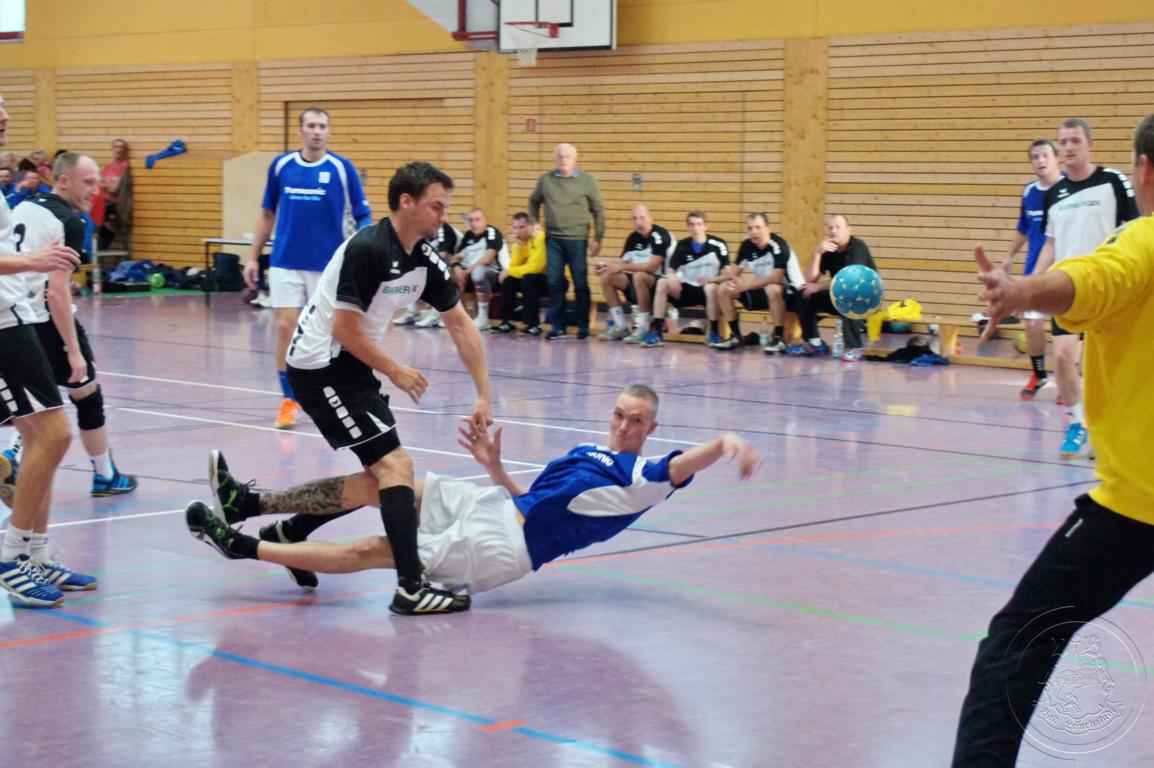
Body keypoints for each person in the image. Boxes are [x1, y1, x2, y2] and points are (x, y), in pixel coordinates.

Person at [952, 113, 1154, 767]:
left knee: (1017, 642)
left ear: (1143, 171)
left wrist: (1020, 292)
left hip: (1139, 507)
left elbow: (1091, 279)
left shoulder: (1144, 239)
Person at [205, 161, 493, 615]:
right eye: (437, 206)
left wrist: (484, 394)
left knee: (380, 482)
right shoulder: (369, 249)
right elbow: (343, 329)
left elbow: (460, 325)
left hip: (352, 365)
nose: (443, 216)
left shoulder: (425, 259)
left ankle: (275, 522)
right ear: (407, 202)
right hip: (320, 366)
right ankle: (411, 587)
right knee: (395, 467)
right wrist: (395, 369)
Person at [185, 384, 761, 605]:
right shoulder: (587, 451)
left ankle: (241, 547)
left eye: (636, 421)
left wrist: (724, 443)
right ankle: (249, 505)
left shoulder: (641, 481)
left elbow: (680, 467)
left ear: (651, 429)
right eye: (619, 414)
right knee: (384, 483)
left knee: (379, 549)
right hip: (494, 507)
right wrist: (495, 468)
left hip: (502, 549)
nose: (624, 426)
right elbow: (535, 498)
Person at [0, 94, 94, 608]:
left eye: (5, 106)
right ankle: (12, 556)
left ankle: (33, 552)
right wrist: (31, 262)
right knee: (53, 434)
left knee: (44, 439)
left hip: (15, 316)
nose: (5, 115)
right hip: (2, 324)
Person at [10, 152, 138, 496]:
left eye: (98, 182)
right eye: (88, 182)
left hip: (14, 318)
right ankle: (105, 475)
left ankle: (13, 454)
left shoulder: (23, 206)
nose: (96, 190)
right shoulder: (70, 222)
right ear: (64, 181)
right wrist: (73, 348)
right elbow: (57, 292)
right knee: (86, 395)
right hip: (45, 320)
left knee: (34, 402)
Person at [244, 107, 372, 430]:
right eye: (312, 125)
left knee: (329, 334)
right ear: (301, 130)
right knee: (285, 326)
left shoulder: (342, 169)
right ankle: (289, 399)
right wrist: (252, 256)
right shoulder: (282, 166)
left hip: (328, 266)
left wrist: (364, 252)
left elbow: (363, 216)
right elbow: (267, 215)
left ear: (329, 131)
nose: (317, 131)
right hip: (285, 261)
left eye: (322, 126)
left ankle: (331, 393)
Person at [1031, 118, 1138, 458]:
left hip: (1108, 289)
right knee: (1064, 358)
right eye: (1063, 142)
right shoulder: (1054, 194)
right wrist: (1031, 285)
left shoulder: (1113, 181)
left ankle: (1107, 429)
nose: (1068, 147)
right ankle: (1078, 423)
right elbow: (1050, 244)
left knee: (1104, 366)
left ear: (1090, 144)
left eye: (1075, 140)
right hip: (1068, 291)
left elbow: (1135, 228)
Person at [1002, 139, 1063, 400]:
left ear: (1057, 157)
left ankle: (1067, 381)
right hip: (1035, 269)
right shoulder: (1029, 191)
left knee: (1066, 330)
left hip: (1064, 269)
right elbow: (1023, 228)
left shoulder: (1069, 188)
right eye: (1035, 157)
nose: (1040, 161)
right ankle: (1039, 374)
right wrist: (1009, 256)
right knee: (1033, 323)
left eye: (1045, 155)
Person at [529, 142, 605, 341]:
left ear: (575, 159)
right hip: (553, 239)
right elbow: (533, 201)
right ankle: (558, 326)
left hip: (578, 239)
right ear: (555, 159)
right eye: (560, 156)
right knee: (554, 282)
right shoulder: (546, 180)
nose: (564, 160)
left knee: (580, 282)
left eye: (568, 156)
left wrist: (597, 238)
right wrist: (534, 222)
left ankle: (583, 326)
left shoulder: (588, 181)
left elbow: (598, 210)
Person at [790, 214, 877, 361]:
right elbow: (809, 280)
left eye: (838, 227)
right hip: (838, 294)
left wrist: (818, 287)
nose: (834, 231)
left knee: (849, 294)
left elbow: (850, 279)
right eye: (830, 228)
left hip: (865, 298)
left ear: (848, 231)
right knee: (804, 293)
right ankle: (814, 343)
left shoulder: (858, 247)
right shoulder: (829, 249)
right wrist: (817, 253)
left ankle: (855, 347)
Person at [640, 211, 730, 348]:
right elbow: (670, 270)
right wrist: (671, 278)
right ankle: (657, 330)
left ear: (706, 226)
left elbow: (727, 274)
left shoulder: (718, 244)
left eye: (699, 224)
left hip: (708, 291)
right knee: (662, 282)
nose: (695, 228)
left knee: (711, 288)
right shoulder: (682, 245)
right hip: (686, 290)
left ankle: (713, 332)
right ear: (688, 227)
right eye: (692, 225)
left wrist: (712, 279)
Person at [720, 212, 806, 354]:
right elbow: (734, 272)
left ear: (767, 229)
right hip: (764, 290)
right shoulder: (747, 246)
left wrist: (745, 285)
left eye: (758, 227)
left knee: (772, 288)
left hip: (792, 293)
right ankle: (736, 336)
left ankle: (778, 338)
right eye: (750, 228)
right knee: (724, 288)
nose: (753, 232)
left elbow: (776, 278)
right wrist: (732, 283)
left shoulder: (778, 245)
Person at [595, 204, 672, 343]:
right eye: (635, 218)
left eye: (642, 218)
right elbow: (622, 262)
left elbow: (652, 267)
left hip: (660, 287)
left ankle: (643, 327)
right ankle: (620, 326)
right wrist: (606, 266)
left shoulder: (660, 235)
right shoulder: (633, 237)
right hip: (637, 283)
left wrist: (621, 267)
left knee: (639, 276)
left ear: (650, 218)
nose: (638, 222)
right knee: (607, 276)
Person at [393, 222, 460, 328]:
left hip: (451, 267)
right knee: (408, 272)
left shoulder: (443, 229)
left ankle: (436, 315)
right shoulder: (421, 229)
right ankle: (412, 312)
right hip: (433, 264)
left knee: (436, 274)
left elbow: (443, 255)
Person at [450, 208, 506, 330]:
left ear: (485, 220)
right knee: (447, 273)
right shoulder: (468, 236)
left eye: (477, 220)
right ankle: (448, 314)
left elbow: (489, 258)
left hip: (492, 272)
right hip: (469, 272)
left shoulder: (491, 232)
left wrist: (467, 270)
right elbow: (455, 258)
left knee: (478, 272)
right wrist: (457, 268)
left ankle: (483, 318)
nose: (474, 223)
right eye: (471, 220)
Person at [493, 211, 548, 335]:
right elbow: (514, 268)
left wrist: (509, 271)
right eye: (515, 228)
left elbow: (535, 268)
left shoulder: (539, 237)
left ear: (531, 226)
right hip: (531, 279)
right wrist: (519, 248)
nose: (518, 231)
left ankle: (534, 324)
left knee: (528, 279)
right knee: (509, 280)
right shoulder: (518, 242)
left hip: (552, 281)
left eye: (522, 227)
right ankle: (507, 321)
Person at [96, 138, 131, 251]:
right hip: (103, 202)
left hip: (115, 204)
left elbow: (115, 189)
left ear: (125, 150)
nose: (119, 150)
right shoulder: (108, 167)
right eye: (116, 147)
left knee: (100, 214)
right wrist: (108, 186)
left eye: (121, 147)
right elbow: (99, 185)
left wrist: (106, 186)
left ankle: (98, 247)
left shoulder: (125, 167)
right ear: (112, 149)